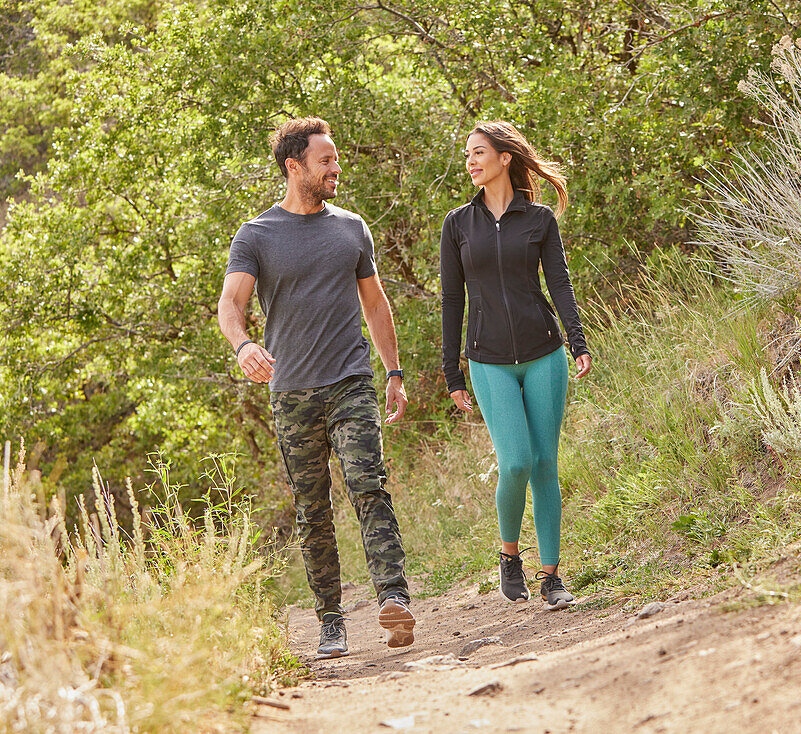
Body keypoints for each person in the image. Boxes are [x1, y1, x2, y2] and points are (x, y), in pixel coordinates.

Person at [217, 117, 415, 657]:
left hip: (350, 381)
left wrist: (393, 372)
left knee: (367, 483)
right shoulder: (256, 235)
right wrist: (243, 346)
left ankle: (393, 598)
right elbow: (230, 305)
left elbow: (375, 304)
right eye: (326, 160)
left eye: (335, 158)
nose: (336, 168)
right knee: (313, 509)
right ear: (294, 166)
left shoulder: (352, 228)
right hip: (293, 393)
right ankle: (331, 618)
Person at [440, 121, 593, 611]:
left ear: (505, 158)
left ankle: (551, 576)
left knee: (545, 465)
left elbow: (560, 284)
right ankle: (510, 555)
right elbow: (451, 300)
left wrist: (577, 340)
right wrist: (452, 372)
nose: (470, 162)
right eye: (467, 155)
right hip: (489, 362)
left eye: (479, 152)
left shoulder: (539, 219)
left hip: (545, 354)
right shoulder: (458, 225)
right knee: (517, 462)